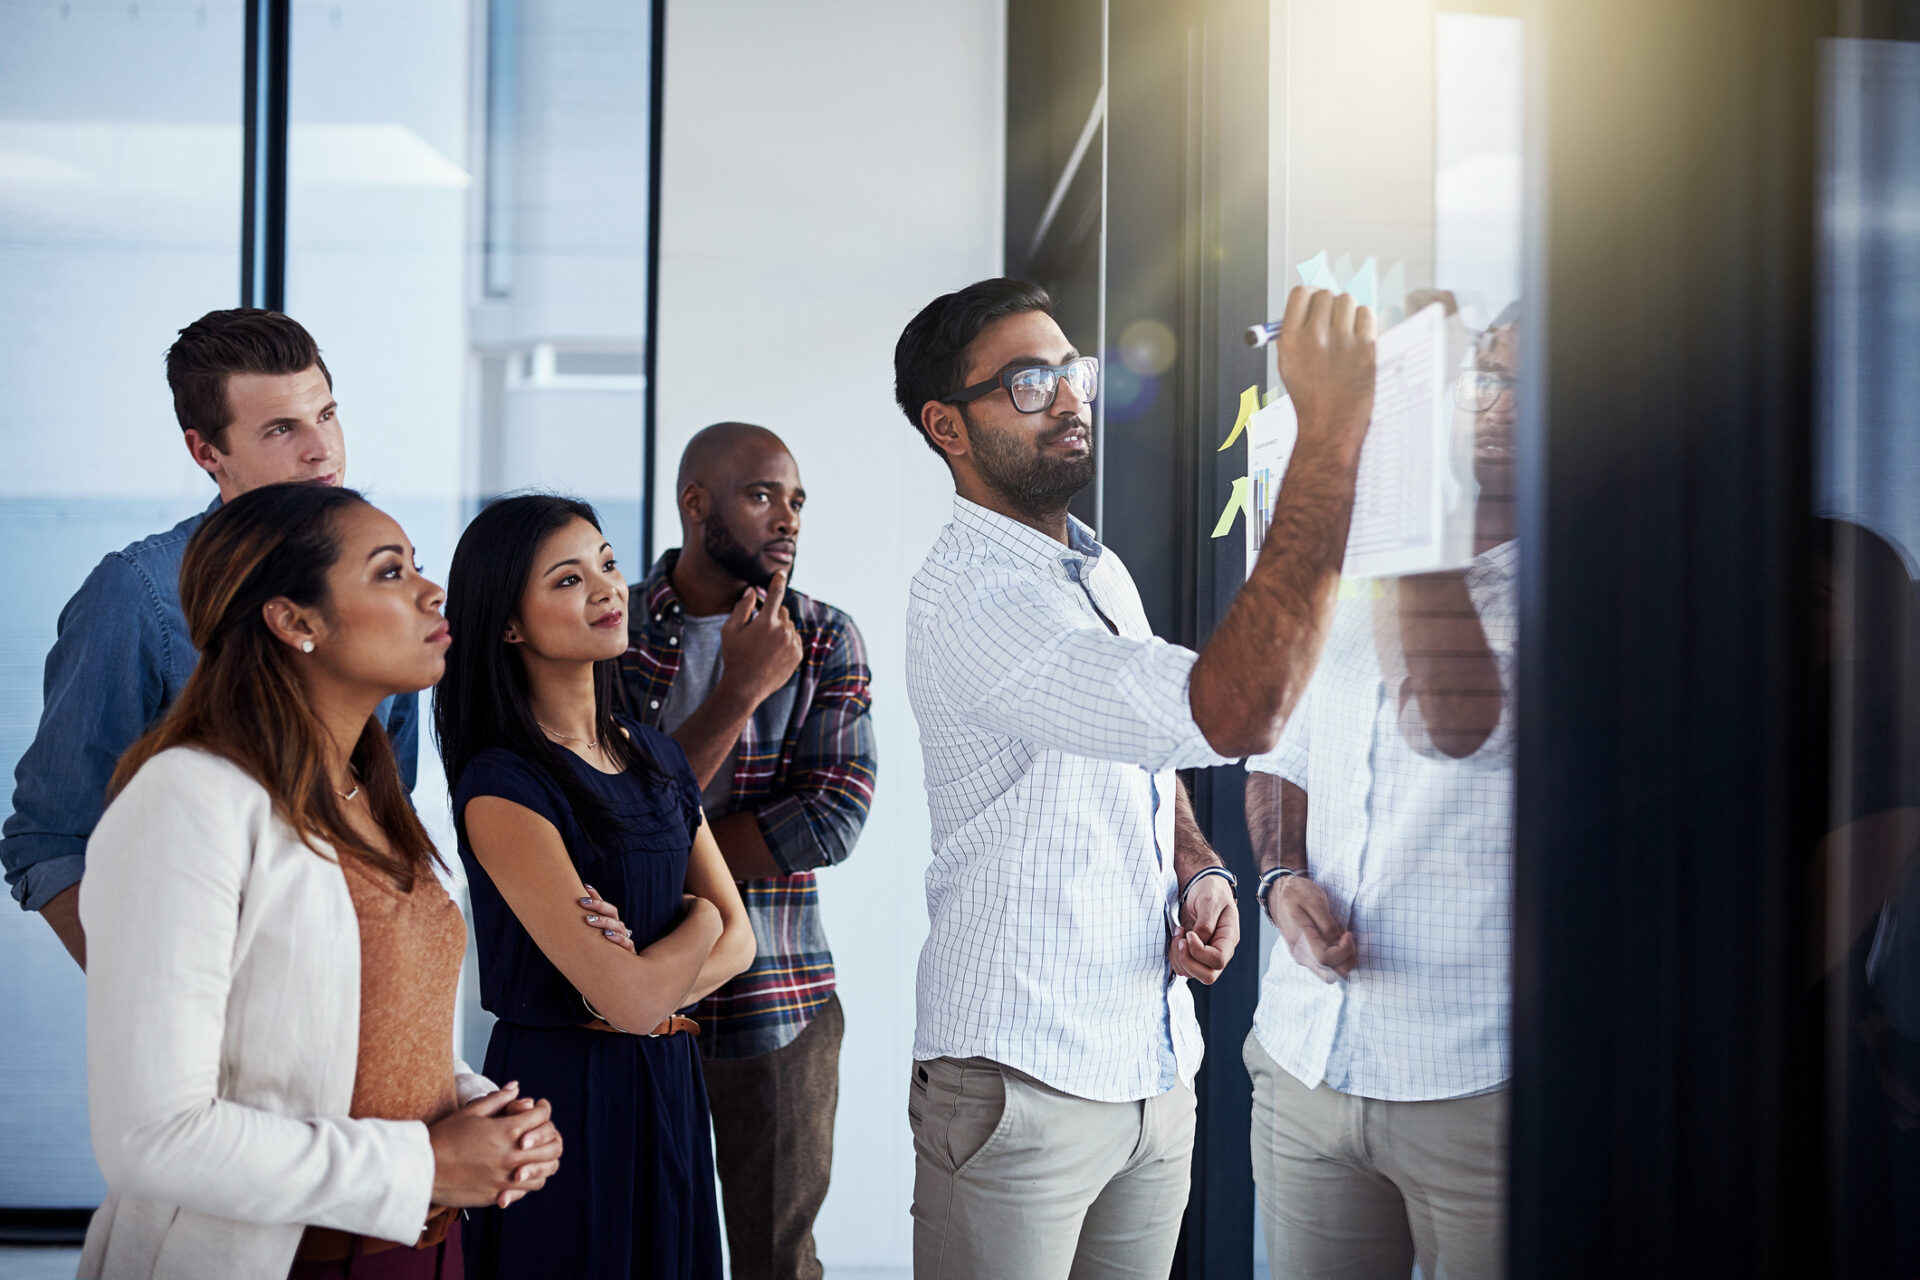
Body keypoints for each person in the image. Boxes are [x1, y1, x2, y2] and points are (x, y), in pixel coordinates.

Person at [894, 277, 1377, 1277]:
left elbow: (1145, 760)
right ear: (948, 424)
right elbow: (1240, 707)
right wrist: (1329, 433)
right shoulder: (975, 601)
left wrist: (1198, 870)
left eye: (1073, 370)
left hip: (1152, 1069)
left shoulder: (1091, 570)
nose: (1071, 396)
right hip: (1019, 1083)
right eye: (1030, 381)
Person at [79, 483, 569, 1280]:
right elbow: (152, 1138)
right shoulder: (186, 800)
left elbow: (366, 1030)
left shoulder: (366, 795)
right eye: (388, 572)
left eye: (414, 564)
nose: (430, 589)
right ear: (294, 620)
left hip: (428, 1250)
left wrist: (479, 1111)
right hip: (281, 1259)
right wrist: (425, 1163)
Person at [1, 309, 417, 969]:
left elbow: (390, 808)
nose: (322, 451)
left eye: (327, 415)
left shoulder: (385, 585)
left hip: (357, 1000)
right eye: (282, 429)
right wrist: (159, 1000)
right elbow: (50, 840)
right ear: (206, 452)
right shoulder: (137, 593)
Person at [1241, 300, 1521, 1280]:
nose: (1495, 404)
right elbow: (1279, 751)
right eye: (1481, 377)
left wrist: (1392, 467)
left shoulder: (1581, 584)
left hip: (1475, 1083)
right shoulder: (1349, 569)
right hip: (1305, 1057)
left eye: (1522, 385)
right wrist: (1278, 879)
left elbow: (1449, 720)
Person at [436, 493, 758, 1280]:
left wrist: (653, 968)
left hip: (670, 1087)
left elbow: (742, 944)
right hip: (564, 1102)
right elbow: (642, 999)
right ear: (509, 624)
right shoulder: (502, 785)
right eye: (568, 579)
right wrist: (696, 925)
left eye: (607, 565)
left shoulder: (656, 757)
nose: (607, 589)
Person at [616, 422, 875, 1280]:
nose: (788, 519)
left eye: (796, 499)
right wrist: (740, 689)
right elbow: (603, 815)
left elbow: (833, 816)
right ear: (697, 504)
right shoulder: (609, 632)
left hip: (780, 999)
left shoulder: (826, 636)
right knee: (645, 1246)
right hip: (633, 997)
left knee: (779, 1261)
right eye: (763, 495)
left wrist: (666, 853)